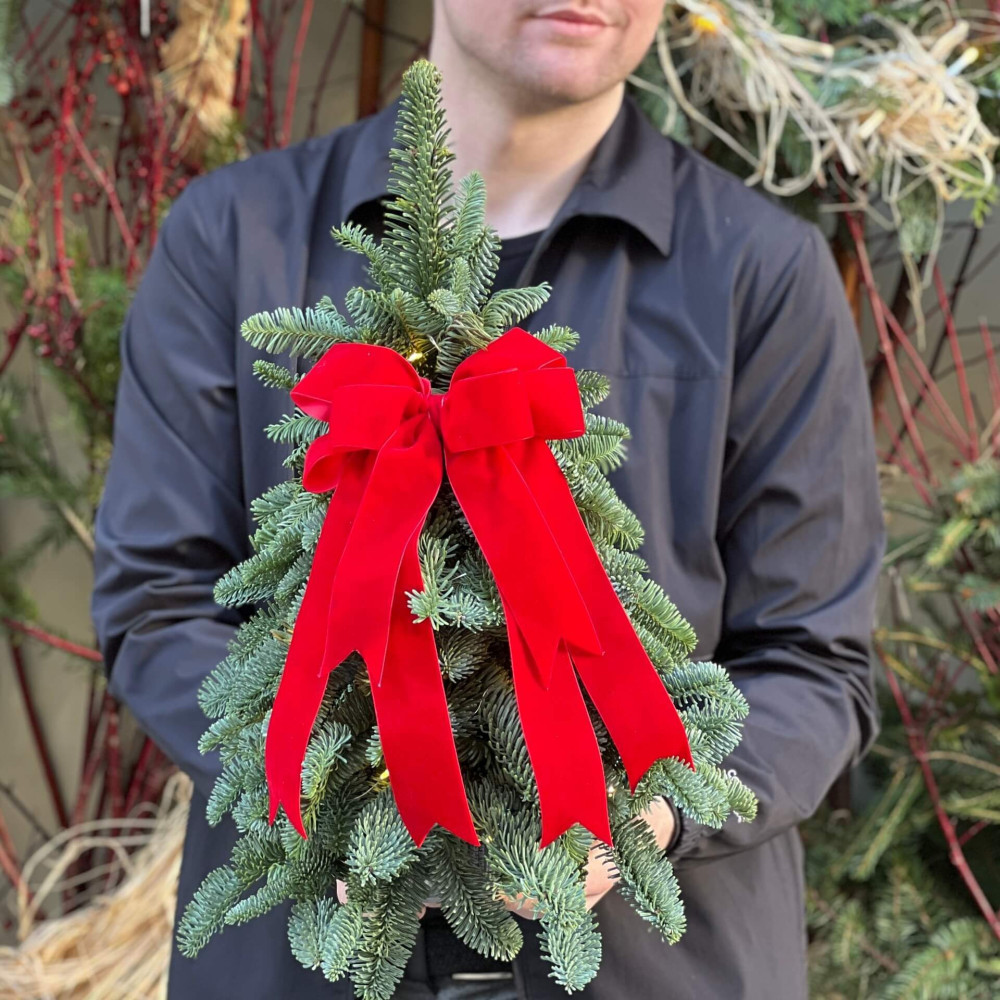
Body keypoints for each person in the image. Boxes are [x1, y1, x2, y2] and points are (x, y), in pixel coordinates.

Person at [90, 1, 887, 998]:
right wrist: (324, 791)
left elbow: (816, 659)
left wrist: (650, 816)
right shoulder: (234, 238)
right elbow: (159, 599)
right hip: (311, 963)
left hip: (654, 969)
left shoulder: (760, 271)